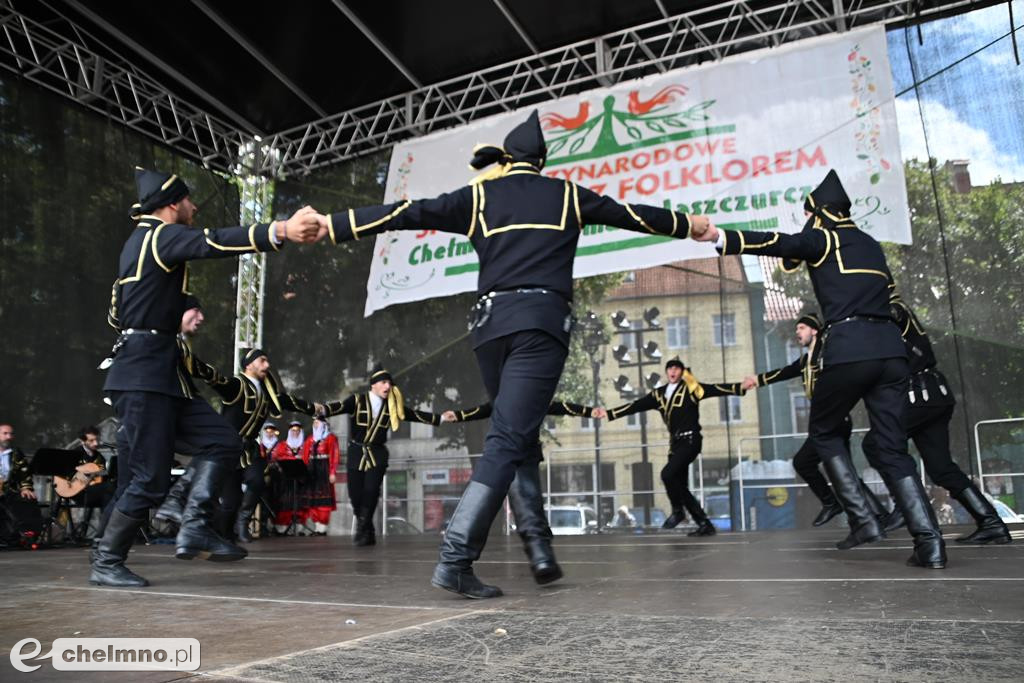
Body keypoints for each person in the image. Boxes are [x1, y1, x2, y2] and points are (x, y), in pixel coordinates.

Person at [318, 110, 711, 598]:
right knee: (510, 437)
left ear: (508, 159)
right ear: (542, 160)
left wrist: (336, 224)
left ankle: (538, 546)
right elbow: (628, 213)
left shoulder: (481, 195)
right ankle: (456, 558)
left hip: (488, 329)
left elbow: (407, 211)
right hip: (537, 328)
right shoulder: (565, 194)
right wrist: (689, 225)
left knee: (517, 435)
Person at [693, 169, 946, 569]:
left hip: (849, 349)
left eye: (810, 214)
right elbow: (892, 301)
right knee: (893, 449)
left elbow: (779, 243)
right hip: (890, 353)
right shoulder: (871, 245)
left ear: (821, 213)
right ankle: (930, 543)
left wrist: (722, 237)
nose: (807, 221)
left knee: (824, 432)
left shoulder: (825, 237)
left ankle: (864, 520)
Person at [92, 166, 321, 587]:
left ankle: (194, 525)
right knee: (149, 479)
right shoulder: (158, 235)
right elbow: (210, 241)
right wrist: (282, 230)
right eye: (189, 200)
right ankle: (107, 560)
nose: (194, 207)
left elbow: (114, 313)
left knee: (223, 441)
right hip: (144, 375)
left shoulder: (135, 246)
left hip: (160, 373)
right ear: (172, 203)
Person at [870, 292, 1010, 545]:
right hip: (932, 396)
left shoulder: (891, 307)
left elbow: (896, 314)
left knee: (875, 442)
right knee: (941, 468)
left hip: (920, 395)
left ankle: (905, 505)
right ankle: (991, 523)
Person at [740, 314, 893, 535]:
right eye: (796, 329)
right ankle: (874, 514)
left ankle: (844, 507)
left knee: (815, 465)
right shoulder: (806, 360)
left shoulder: (827, 353)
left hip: (834, 419)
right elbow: (784, 372)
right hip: (825, 420)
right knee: (836, 470)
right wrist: (757, 379)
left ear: (814, 331)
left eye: (801, 328)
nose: (797, 332)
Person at [441, 399, 603, 584]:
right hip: (518, 448)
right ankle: (539, 551)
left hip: (512, 449)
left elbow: (556, 406)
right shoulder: (522, 390)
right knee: (524, 491)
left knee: (519, 491)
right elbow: (557, 406)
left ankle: (537, 550)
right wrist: (588, 412)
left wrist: (588, 412)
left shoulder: (510, 394)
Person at [188, 349, 322, 543]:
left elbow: (289, 401)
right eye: (262, 360)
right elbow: (213, 377)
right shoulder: (236, 385)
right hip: (228, 449)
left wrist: (312, 408)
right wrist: (189, 361)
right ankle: (222, 537)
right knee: (230, 501)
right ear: (249, 365)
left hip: (250, 449)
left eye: (267, 361)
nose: (267, 365)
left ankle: (243, 521)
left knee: (258, 480)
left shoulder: (268, 394)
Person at [606, 357, 744, 536]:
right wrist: (611, 413)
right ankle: (704, 523)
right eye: (670, 368)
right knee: (680, 485)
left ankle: (678, 511)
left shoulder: (691, 389)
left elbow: (714, 389)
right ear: (666, 372)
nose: (673, 371)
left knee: (667, 474)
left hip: (691, 440)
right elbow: (636, 406)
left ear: (682, 372)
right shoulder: (659, 394)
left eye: (677, 369)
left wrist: (739, 387)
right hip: (675, 444)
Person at [322, 365, 444, 547]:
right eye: (384, 382)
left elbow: (414, 415)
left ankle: (362, 529)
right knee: (355, 494)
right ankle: (368, 529)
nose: (388, 386)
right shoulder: (357, 400)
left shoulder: (392, 406)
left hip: (377, 453)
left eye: (390, 383)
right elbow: (336, 407)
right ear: (374, 385)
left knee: (371, 490)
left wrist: (440, 418)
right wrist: (320, 409)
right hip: (356, 451)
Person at [71, 426, 115, 538]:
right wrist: (81, 472)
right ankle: (107, 530)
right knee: (109, 489)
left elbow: (102, 476)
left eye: (96, 440)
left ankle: (106, 531)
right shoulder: (74, 454)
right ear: (82, 441)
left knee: (110, 492)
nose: (95, 443)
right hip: (77, 492)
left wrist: (104, 474)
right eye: (91, 440)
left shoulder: (99, 457)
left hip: (95, 491)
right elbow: (66, 471)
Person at [0, 423, 40, 543]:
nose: (9, 437)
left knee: (28, 500)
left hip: (9, 490)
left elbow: (25, 473)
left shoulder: (16, 453)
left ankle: (25, 536)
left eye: (11, 434)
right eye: (5, 433)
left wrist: (25, 488)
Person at [302, 415, 341, 535]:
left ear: (324, 424)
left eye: (317, 422)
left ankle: (322, 527)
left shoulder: (331, 438)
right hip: (312, 470)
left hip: (324, 469)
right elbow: (305, 457)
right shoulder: (310, 439)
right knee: (312, 498)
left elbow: (334, 455)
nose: (315, 424)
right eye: (314, 422)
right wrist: (303, 472)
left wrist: (333, 472)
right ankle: (317, 527)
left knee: (324, 499)